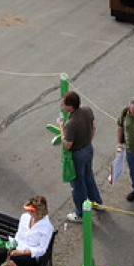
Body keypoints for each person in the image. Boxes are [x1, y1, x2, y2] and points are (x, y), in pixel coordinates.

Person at [58, 90, 103, 222]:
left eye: (63, 104)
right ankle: (96, 202)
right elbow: (93, 128)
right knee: (89, 176)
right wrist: (88, 141)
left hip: (77, 154)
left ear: (70, 107)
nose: (62, 106)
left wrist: (61, 127)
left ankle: (81, 214)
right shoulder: (87, 110)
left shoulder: (71, 124)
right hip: (88, 148)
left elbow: (67, 144)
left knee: (78, 184)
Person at [8, 195, 54, 266]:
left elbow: (41, 250)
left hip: (30, 258)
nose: (29, 213)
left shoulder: (47, 227)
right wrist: (12, 245)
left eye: (32, 211)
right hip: (16, 249)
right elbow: (18, 235)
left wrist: (22, 252)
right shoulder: (24, 217)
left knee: (10, 259)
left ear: (39, 212)